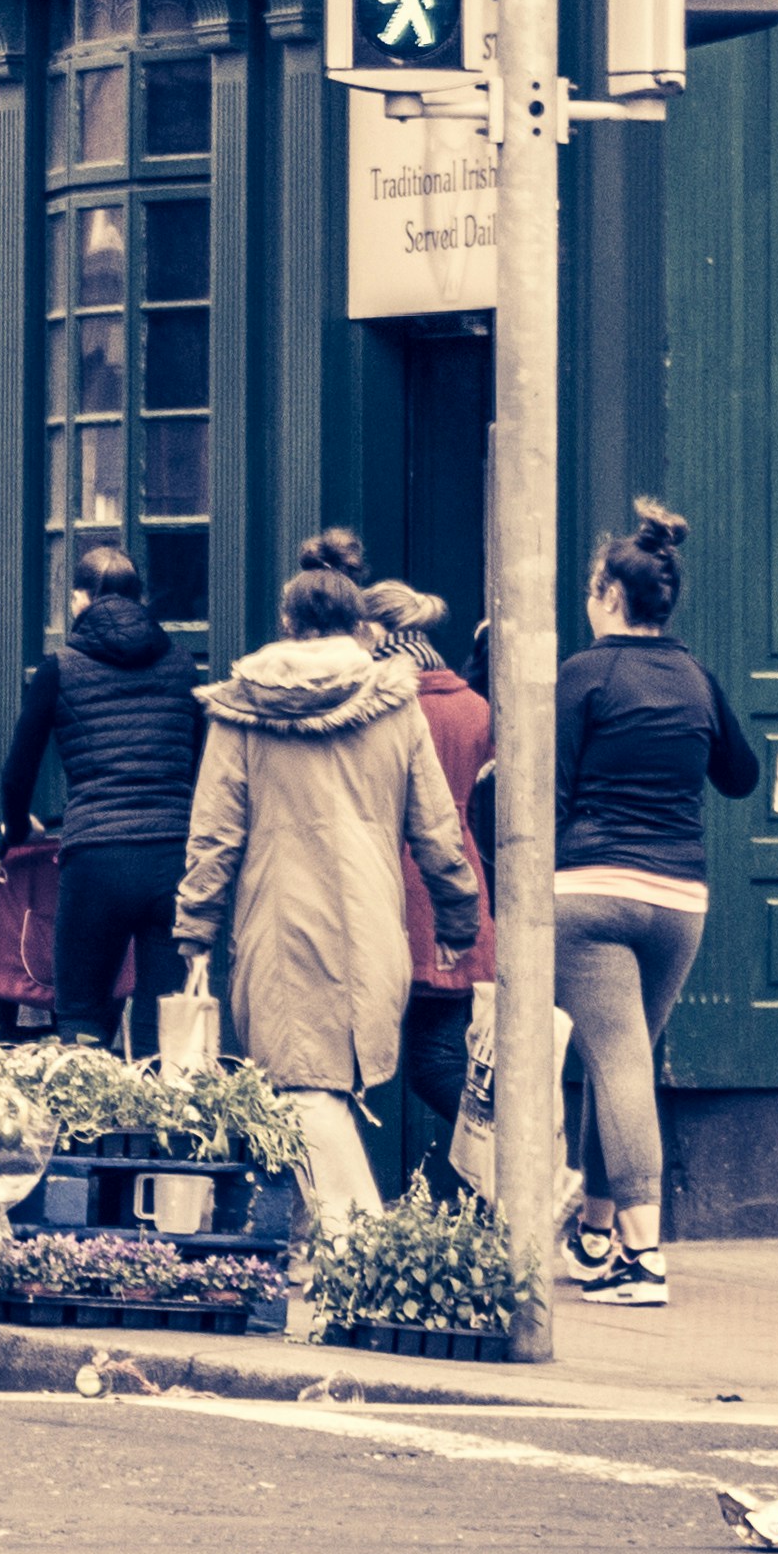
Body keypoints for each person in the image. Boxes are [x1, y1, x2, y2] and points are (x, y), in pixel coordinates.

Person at [174, 533, 481, 1249]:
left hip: (276, 927)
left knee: (304, 1089)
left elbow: (213, 834)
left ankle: (362, 1248)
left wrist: (194, 929)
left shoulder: (241, 709)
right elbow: (437, 826)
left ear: (286, 624)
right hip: (374, 922)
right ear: (360, 628)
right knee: (321, 1084)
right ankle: (324, 1248)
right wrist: (458, 917)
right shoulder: (395, 704)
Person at [551, 499, 761, 1308]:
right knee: (623, 1062)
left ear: (607, 592)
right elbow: (739, 776)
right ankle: (597, 1235)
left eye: (590, 588)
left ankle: (643, 1256)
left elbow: (549, 791)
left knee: (616, 1063)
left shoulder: (584, 673)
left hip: (590, 892)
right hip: (678, 900)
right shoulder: (695, 677)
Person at [0, 546, 204, 1051]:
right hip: (172, 860)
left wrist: (18, 830)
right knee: (166, 1030)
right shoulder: (181, 664)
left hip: (95, 860)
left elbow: (17, 773)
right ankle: (162, 1129)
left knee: (82, 1017)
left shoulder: (60, 668)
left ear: (77, 600)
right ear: (142, 598)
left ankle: (83, 1128)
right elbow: (199, 764)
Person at [357, 575, 495, 1190]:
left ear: (378, 632)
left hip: (400, 884)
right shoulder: (474, 704)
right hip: (457, 883)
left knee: (387, 1062)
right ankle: (494, 1166)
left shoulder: (383, 703)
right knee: (439, 1052)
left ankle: (510, 1150)